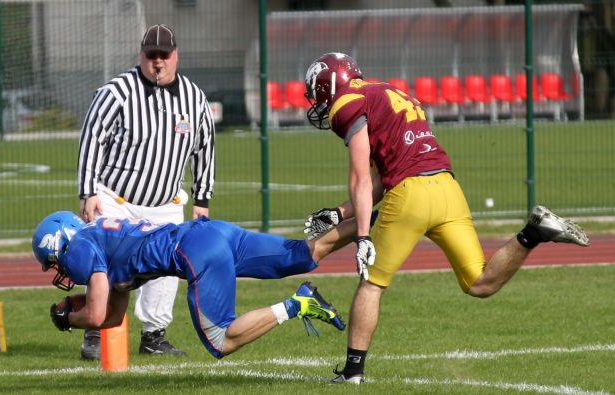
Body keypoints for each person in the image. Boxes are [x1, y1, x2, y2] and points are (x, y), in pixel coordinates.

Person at [302, 52, 591, 384]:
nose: (316, 100)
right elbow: (381, 176)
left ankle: (353, 373)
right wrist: (339, 212)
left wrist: (364, 236)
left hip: (410, 194)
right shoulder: (391, 92)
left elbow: (361, 179)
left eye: (316, 91)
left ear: (330, 84)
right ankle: (532, 233)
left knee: (372, 284)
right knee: (480, 283)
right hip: (447, 188)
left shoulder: (347, 102)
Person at [32, 211, 353, 359]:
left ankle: (298, 303)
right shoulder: (102, 245)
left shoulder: (78, 248)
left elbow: (95, 313)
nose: (61, 269)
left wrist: (66, 319)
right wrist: (78, 307)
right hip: (213, 232)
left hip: (194, 251)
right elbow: (112, 318)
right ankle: (373, 222)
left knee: (221, 340)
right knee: (301, 254)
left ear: (59, 243)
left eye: (54, 261)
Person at [77, 24, 215, 359]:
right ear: (141, 55)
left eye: (163, 56)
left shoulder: (194, 98)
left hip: (166, 201)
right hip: (116, 197)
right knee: (106, 263)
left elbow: (205, 147)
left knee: (165, 270)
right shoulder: (117, 92)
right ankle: (95, 333)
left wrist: (202, 199)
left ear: (175, 55)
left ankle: (153, 335)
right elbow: (92, 138)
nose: (157, 62)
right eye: (151, 55)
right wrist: (88, 191)